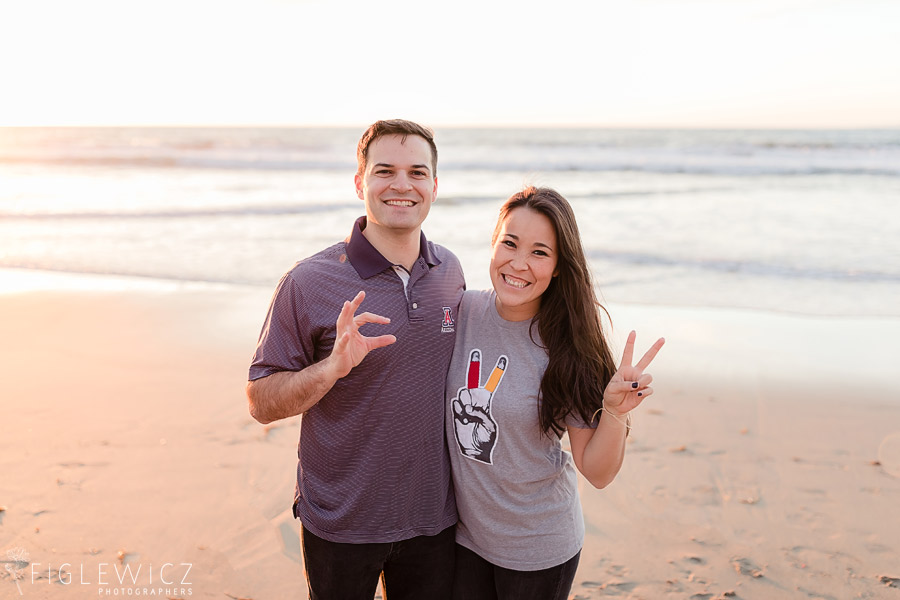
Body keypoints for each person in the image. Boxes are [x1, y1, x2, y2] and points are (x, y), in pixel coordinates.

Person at [247, 119, 465, 600]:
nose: (402, 185)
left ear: (434, 185)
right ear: (359, 181)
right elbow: (261, 402)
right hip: (342, 520)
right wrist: (332, 369)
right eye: (385, 170)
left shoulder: (449, 271)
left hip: (434, 517)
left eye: (418, 172)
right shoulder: (308, 282)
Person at [447, 186, 665, 599]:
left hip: (538, 547)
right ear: (492, 244)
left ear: (560, 266)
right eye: (509, 243)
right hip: (466, 539)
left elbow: (597, 472)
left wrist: (615, 412)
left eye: (539, 252)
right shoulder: (462, 311)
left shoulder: (567, 348)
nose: (519, 263)